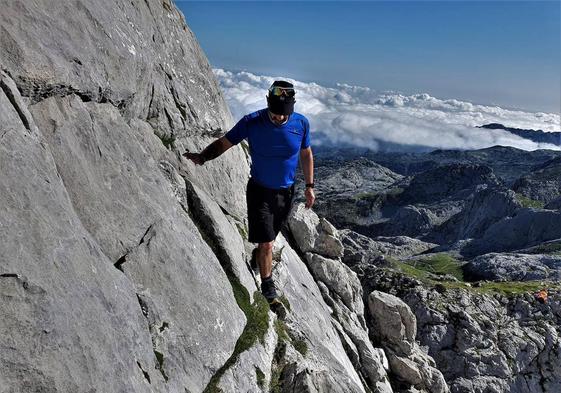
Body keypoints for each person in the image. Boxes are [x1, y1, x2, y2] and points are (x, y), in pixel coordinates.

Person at [183, 80, 315, 305]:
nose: (279, 118)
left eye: (283, 115)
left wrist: (310, 187)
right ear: (267, 103)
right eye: (275, 113)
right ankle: (268, 287)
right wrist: (202, 157)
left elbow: (306, 154)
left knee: (270, 238)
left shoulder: (301, 124)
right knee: (267, 244)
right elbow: (225, 142)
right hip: (260, 191)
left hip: (286, 192)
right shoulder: (252, 122)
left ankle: (258, 258)